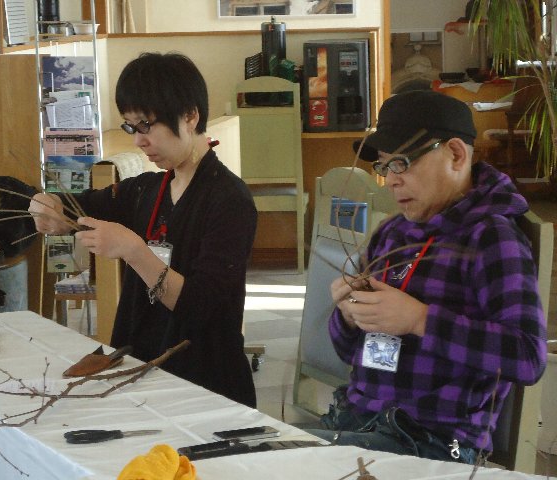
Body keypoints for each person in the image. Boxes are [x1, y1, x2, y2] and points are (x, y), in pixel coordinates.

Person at [313, 90, 547, 463]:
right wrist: (349, 314)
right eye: (385, 167)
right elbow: (350, 353)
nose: (391, 181)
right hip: (360, 418)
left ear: (455, 154)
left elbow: (527, 358)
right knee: (256, 456)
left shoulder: (490, 237)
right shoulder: (392, 234)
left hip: (433, 442)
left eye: (402, 163)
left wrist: (420, 320)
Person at [28, 52, 257, 407]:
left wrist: (134, 251)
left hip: (206, 386)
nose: (138, 140)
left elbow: (200, 309)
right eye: (131, 127)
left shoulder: (230, 200)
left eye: (146, 125)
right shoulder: (146, 191)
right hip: (142, 372)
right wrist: (51, 206)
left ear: (190, 116)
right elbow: (78, 206)